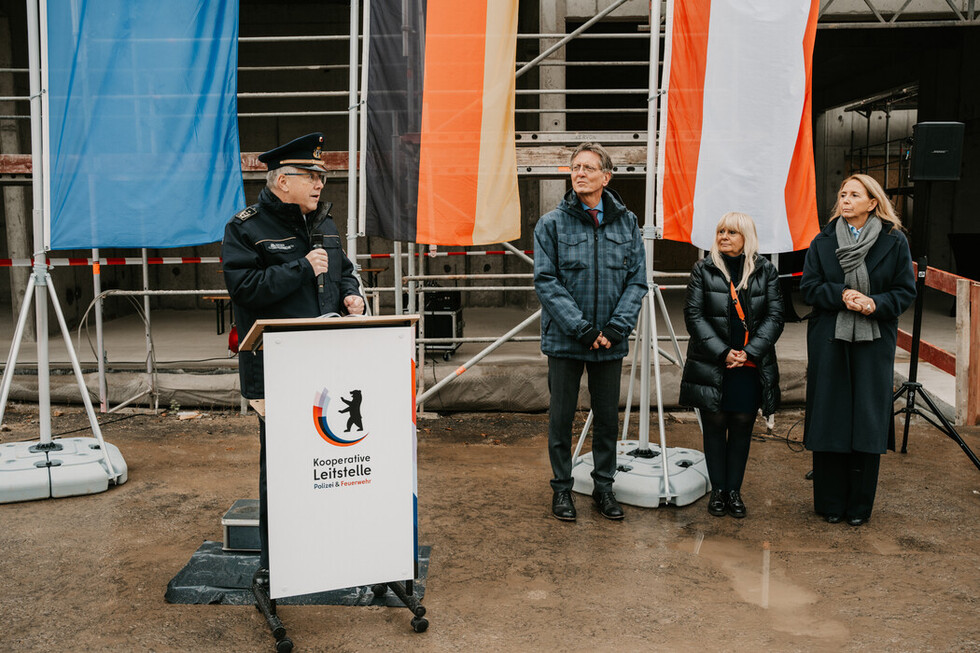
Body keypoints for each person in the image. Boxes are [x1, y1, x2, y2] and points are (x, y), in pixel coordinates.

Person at [221, 132, 364, 583]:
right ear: (283, 181)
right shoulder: (245, 228)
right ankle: (279, 560)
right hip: (276, 370)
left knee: (331, 459)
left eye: (322, 176)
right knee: (283, 465)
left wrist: (353, 295)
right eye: (311, 176)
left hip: (328, 365)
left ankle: (329, 544)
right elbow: (244, 291)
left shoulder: (324, 222)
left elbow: (344, 272)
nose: (321, 183)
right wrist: (301, 268)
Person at [533, 142, 647, 521]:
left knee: (607, 421)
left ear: (606, 177)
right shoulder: (551, 224)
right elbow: (546, 282)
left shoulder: (627, 223)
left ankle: (603, 488)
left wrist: (616, 327)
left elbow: (637, 281)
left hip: (609, 340)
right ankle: (562, 490)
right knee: (561, 419)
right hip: (567, 340)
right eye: (575, 167)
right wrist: (582, 329)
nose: (579, 173)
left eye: (588, 167)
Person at [801, 174, 915, 527]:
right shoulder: (822, 241)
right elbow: (809, 288)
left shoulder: (894, 243)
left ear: (872, 202)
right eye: (842, 194)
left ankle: (859, 507)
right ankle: (830, 503)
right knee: (830, 417)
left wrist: (873, 303)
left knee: (866, 419)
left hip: (873, 341)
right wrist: (841, 295)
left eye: (855, 194)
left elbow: (904, 291)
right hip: (830, 339)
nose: (846, 200)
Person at [679, 212, 784, 518]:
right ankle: (718, 491)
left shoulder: (766, 271)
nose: (723, 236)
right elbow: (694, 317)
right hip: (713, 364)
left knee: (741, 427)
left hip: (751, 367)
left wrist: (750, 352)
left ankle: (734, 492)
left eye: (731, 232)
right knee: (714, 426)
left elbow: (775, 317)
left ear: (746, 237)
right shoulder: (703, 269)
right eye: (720, 231)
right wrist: (723, 352)